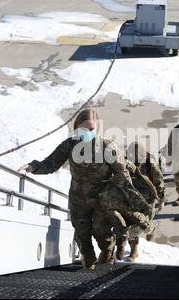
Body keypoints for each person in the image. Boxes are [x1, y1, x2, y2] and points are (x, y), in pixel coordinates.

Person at [17, 109, 147, 270]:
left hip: (102, 200)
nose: (88, 132)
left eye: (91, 129)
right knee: (82, 235)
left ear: (97, 128)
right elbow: (51, 163)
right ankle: (89, 265)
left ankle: (107, 252)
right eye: (84, 128)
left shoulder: (107, 147)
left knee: (101, 233)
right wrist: (33, 166)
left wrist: (131, 202)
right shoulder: (70, 145)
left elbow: (122, 174)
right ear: (77, 127)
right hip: (79, 200)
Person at [124, 142, 165, 262]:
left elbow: (159, 183)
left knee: (145, 224)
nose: (135, 164)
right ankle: (134, 251)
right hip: (130, 197)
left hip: (147, 200)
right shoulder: (125, 162)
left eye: (137, 161)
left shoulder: (150, 165)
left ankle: (151, 229)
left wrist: (161, 200)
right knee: (130, 225)